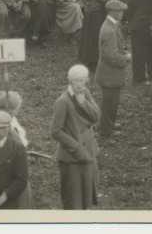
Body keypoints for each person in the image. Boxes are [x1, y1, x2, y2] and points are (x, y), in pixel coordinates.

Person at [51, 65, 101, 210]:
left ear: (86, 81)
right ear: (70, 81)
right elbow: (56, 131)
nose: (79, 84)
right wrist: (77, 148)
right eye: (76, 81)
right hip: (72, 157)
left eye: (82, 80)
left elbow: (96, 116)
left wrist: (83, 103)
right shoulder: (63, 101)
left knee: (87, 196)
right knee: (73, 201)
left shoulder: (85, 93)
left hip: (89, 152)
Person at [95, 0, 131, 138]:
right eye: (120, 11)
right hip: (109, 73)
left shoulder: (112, 25)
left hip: (109, 73)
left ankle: (108, 123)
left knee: (111, 101)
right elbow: (110, 55)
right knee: (110, 102)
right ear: (113, 12)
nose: (122, 14)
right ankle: (106, 129)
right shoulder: (110, 29)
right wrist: (125, 59)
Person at [79, 0, 114, 72]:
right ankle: (92, 62)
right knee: (93, 38)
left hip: (99, 10)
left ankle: (98, 60)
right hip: (94, 12)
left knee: (97, 37)